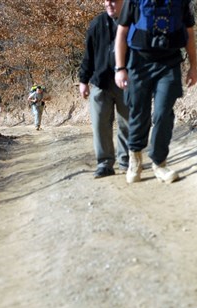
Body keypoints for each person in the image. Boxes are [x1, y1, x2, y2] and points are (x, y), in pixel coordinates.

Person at [114, 0, 197, 184]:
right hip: (138, 63)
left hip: (169, 63)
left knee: (163, 113)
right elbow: (122, 33)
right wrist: (120, 68)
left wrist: (194, 66)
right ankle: (134, 159)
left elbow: (189, 32)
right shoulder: (134, 1)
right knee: (139, 113)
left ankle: (159, 163)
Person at [78, 0, 130, 179]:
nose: (109, 4)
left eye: (113, 0)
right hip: (100, 83)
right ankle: (105, 163)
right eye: (106, 0)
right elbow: (88, 55)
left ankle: (127, 160)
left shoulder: (133, 20)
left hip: (126, 82)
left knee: (127, 124)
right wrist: (83, 80)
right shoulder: (96, 23)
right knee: (100, 125)